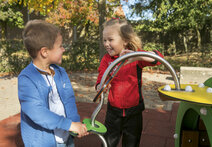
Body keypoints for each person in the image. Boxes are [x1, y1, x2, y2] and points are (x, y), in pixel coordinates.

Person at [18, 19, 89, 147]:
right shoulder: (27, 78)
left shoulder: (60, 72)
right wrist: (70, 125)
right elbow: (36, 111)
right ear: (44, 52)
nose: (63, 49)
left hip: (66, 137)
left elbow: (69, 100)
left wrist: (75, 123)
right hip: (44, 143)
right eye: (60, 46)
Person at [95, 18, 163, 147]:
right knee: (108, 142)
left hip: (134, 112)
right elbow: (101, 77)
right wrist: (100, 86)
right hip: (113, 111)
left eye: (110, 39)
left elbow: (158, 59)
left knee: (131, 143)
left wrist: (138, 55)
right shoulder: (107, 59)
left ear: (125, 40)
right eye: (104, 40)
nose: (106, 44)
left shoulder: (136, 57)